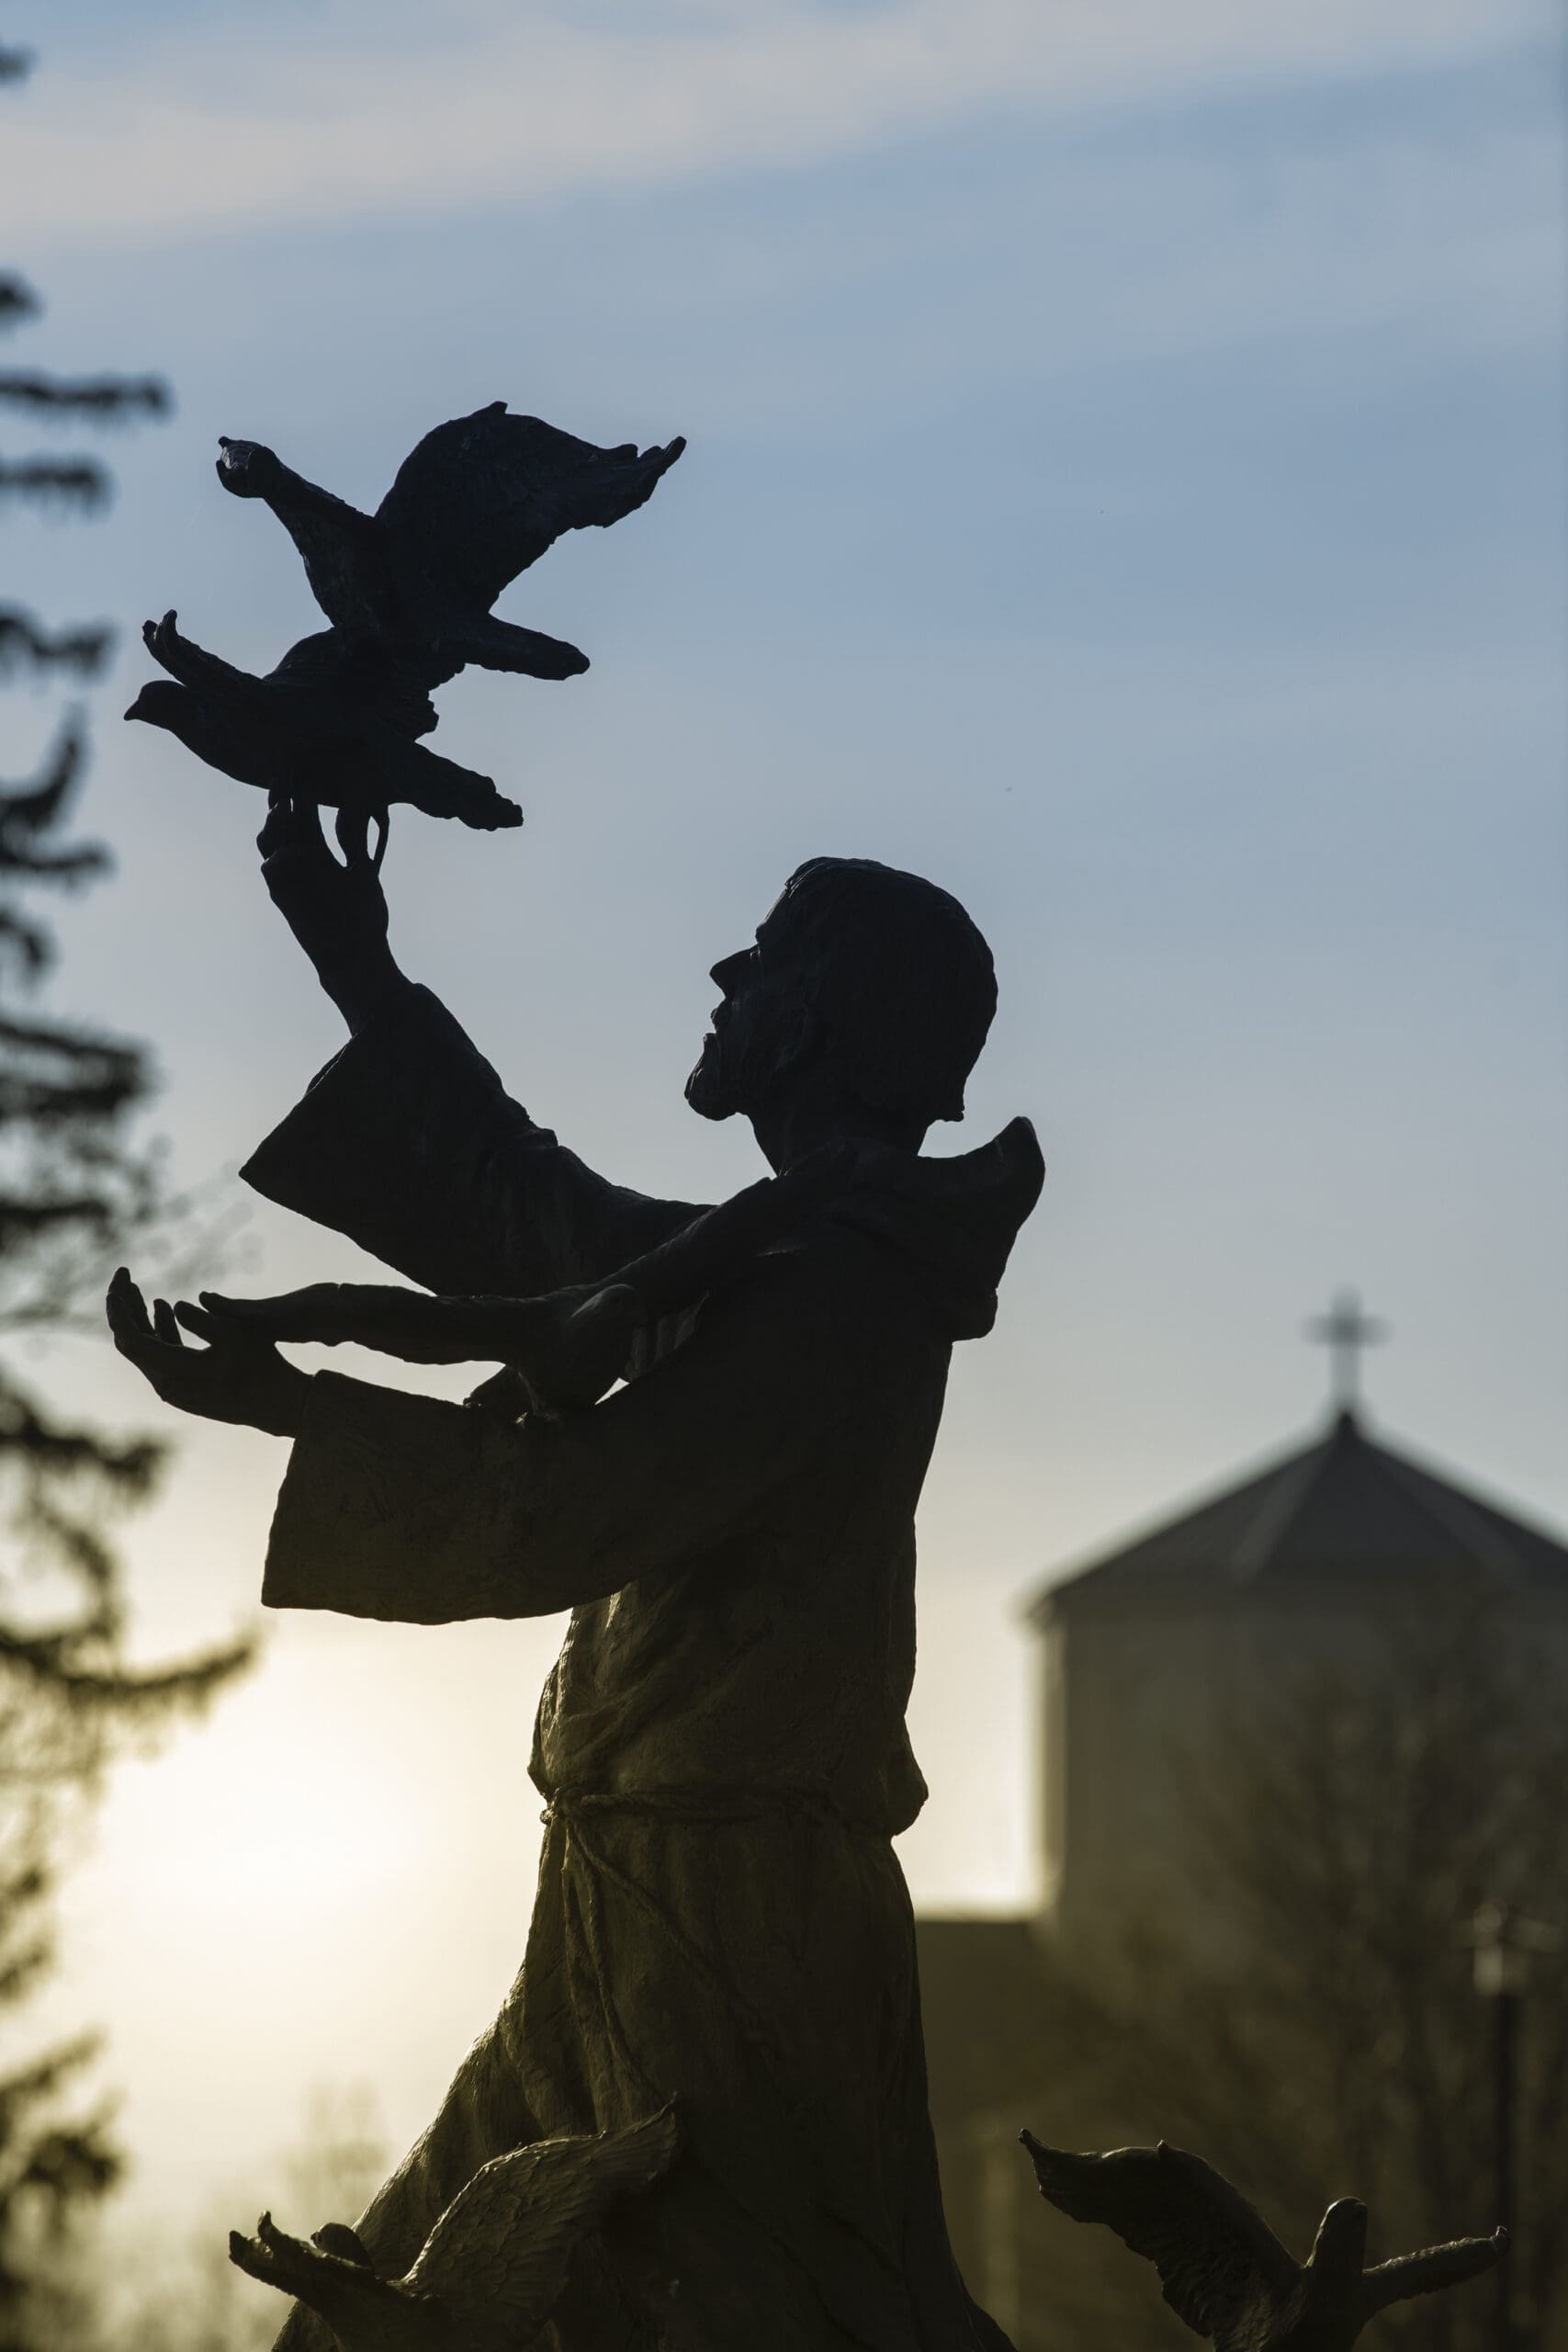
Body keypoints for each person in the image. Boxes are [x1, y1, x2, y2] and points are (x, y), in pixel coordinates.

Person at [108, 798, 1043, 2352]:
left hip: (736, 1924)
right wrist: (361, 967)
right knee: (384, 2317)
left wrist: (289, 1406)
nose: (719, 980)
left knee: (755, 2320)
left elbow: (572, 1513)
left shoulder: (839, 1299)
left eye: (756, 968)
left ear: (809, 1020)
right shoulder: (782, 1253)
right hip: (627, 1899)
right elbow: (533, 1217)